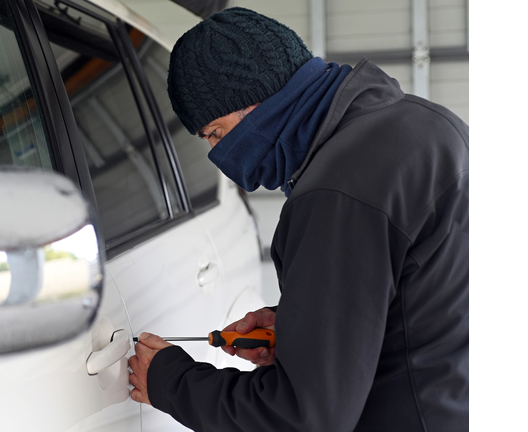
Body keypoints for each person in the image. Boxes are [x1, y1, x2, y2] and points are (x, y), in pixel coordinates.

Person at [128, 7, 468, 432]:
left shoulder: (336, 193)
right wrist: (304, 323)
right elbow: (425, 295)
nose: (219, 156)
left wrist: (168, 380)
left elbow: (302, 419)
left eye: (215, 133)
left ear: (258, 96)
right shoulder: (429, 124)